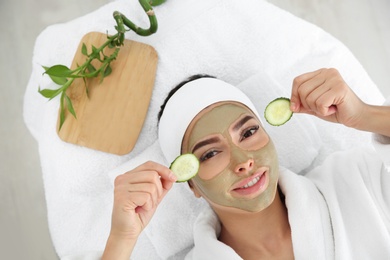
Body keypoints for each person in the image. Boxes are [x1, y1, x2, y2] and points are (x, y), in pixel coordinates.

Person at [102, 68, 390, 259]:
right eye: (210, 154)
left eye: (249, 132)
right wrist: (121, 239)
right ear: (192, 185)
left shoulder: (357, 180)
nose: (243, 162)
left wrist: (364, 114)